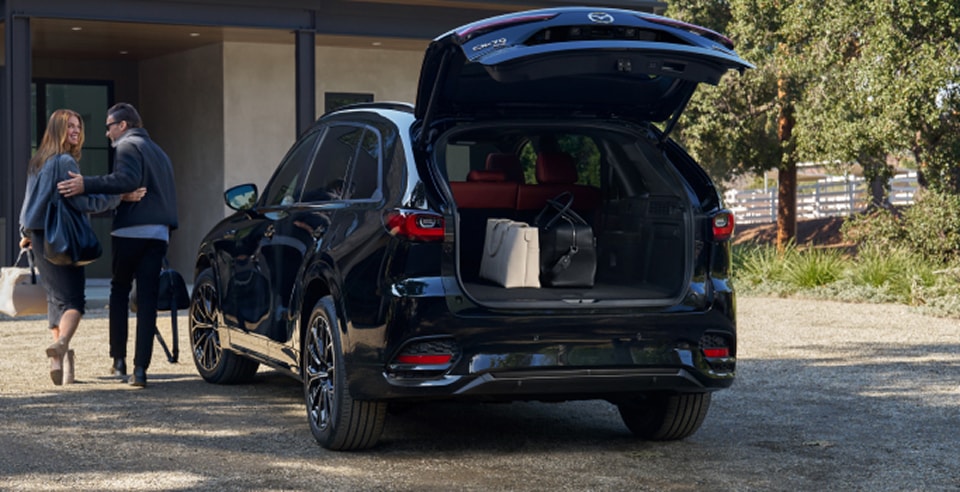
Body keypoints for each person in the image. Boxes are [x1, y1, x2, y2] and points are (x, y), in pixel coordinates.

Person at [18, 109, 144, 385]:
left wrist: (25, 232)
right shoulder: (63, 161)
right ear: (57, 129)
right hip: (61, 236)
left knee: (55, 300)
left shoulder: (37, 161)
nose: (76, 131)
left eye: (78, 126)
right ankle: (61, 344)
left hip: (38, 237)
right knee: (74, 301)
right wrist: (119, 197)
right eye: (70, 126)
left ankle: (62, 365)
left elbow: (28, 204)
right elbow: (82, 201)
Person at [58, 102, 178, 388]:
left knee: (120, 291)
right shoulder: (161, 153)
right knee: (148, 299)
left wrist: (86, 184)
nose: (107, 134)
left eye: (109, 127)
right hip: (159, 233)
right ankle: (140, 370)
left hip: (130, 231)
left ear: (122, 125)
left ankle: (119, 360)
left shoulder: (127, 146)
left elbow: (126, 179)